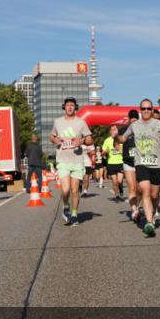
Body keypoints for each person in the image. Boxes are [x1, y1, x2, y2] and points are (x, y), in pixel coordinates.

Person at [117, 99, 160, 237]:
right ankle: (149, 223)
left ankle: (152, 213)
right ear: (140, 110)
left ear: (152, 110)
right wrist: (116, 135)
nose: (146, 111)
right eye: (143, 109)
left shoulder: (159, 124)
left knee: (154, 194)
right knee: (145, 191)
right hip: (141, 163)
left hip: (157, 164)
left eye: (148, 108)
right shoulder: (134, 125)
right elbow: (123, 139)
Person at [50, 97, 93, 226]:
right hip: (62, 160)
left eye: (72, 105)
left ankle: (74, 214)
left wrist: (82, 141)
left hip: (77, 160)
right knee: (65, 189)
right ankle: (66, 205)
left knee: (75, 190)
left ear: (75, 107)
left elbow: (90, 139)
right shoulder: (57, 122)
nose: (69, 107)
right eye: (67, 105)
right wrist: (54, 140)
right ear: (64, 107)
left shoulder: (81, 122)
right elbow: (52, 135)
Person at [121, 110, 140, 220]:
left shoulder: (142, 129)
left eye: (135, 118)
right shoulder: (124, 130)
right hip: (128, 162)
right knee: (132, 187)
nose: (133, 120)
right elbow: (117, 141)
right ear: (129, 119)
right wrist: (116, 140)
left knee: (140, 188)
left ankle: (137, 205)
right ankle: (135, 211)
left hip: (140, 162)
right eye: (131, 118)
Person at [102, 125, 125, 201]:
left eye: (115, 129)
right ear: (110, 132)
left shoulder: (121, 139)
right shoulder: (107, 140)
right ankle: (117, 195)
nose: (115, 131)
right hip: (111, 163)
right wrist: (105, 152)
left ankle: (121, 189)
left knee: (120, 181)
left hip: (120, 162)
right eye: (113, 130)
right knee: (114, 181)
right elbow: (103, 152)